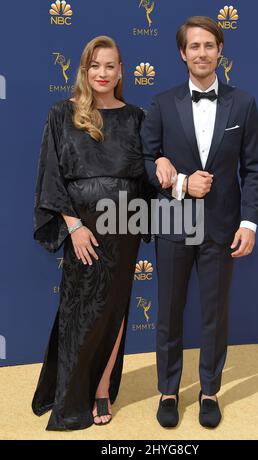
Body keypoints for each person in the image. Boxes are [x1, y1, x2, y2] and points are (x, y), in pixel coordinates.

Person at [141, 16, 258, 428]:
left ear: (220, 51)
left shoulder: (243, 103)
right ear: (182, 53)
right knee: (169, 312)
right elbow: (144, 160)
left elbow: (255, 168)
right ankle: (169, 391)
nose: (201, 53)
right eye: (194, 46)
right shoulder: (161, 103)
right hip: (174, 218)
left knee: (214, 313)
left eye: (209, 45)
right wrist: (179, 182)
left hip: (222, 226)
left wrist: (249, 223)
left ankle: (209, 390)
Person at [32, 36, 147, 431]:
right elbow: (52, 173)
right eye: (95, 66)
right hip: (84, 231)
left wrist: (172, 173)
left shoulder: (135, 117)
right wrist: (74, 225)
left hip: (125, 229)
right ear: (84, 71)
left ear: (120, 71)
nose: (102, 73)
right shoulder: (62, 114)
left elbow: (146, 171)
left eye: (110, 66)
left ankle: (100, 389)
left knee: (114, 312)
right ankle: (69, 395)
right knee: (79, 312)